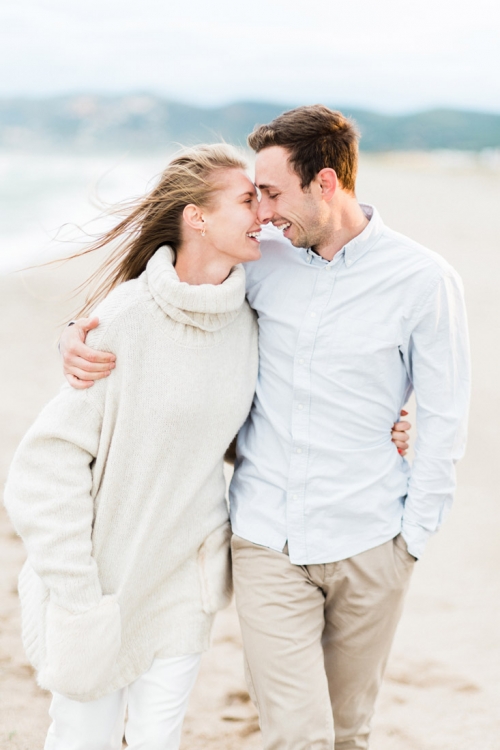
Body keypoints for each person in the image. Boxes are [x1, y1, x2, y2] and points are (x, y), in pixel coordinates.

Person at [58, 107, 451, 750]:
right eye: (254, 197)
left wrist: (413, 539)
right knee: (297, 735)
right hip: (267, 535)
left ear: (324, 184)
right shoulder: (260, 261)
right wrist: (73, 336)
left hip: (374, 535)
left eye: (270, 193)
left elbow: (444, 413)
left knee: (348, 733)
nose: (263, 213)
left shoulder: (423, 279)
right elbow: (167, 295)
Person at [4, 144, 263, 750]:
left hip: (183, 583)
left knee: (158, 739)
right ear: (196, 217)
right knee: (81, 739)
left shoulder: (252, 321)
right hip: (100, 587)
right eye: (248, 200)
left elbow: (254, 434)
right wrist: (77, 596)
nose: (263, 215)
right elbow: (42, 469)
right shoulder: (123, 319)